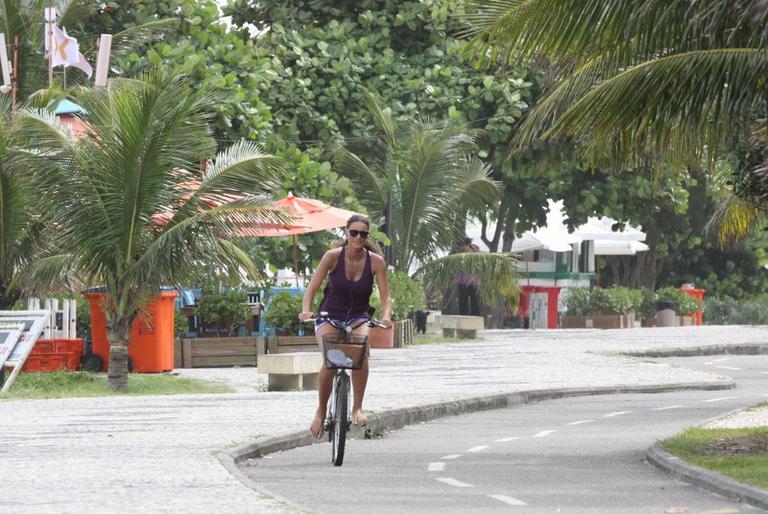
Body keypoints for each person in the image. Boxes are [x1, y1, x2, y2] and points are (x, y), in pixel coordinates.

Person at [298, 214, 392, 439]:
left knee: (361, 353)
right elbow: (313, 287)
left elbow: (386, 297)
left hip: (358, 315)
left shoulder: (376, 262)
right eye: (354, 233)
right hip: (329, 314)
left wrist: (386, 316)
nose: (358, 237)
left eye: (363, 234)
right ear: (346, 234)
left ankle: (357, 407)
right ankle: (321, 411)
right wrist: (306, 309)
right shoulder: (332, 257)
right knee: (331, 362)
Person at [457, 237, 480, 316]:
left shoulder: (475, 252)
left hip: (473, 280)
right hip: (462, 279)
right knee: (462, 300)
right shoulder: (460, 254)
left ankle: (475, 316)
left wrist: (471, 278)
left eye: (463, 246)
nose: (462, 248)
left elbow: (477, 267)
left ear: (467, 245)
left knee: (474, 300)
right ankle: (463, 315)